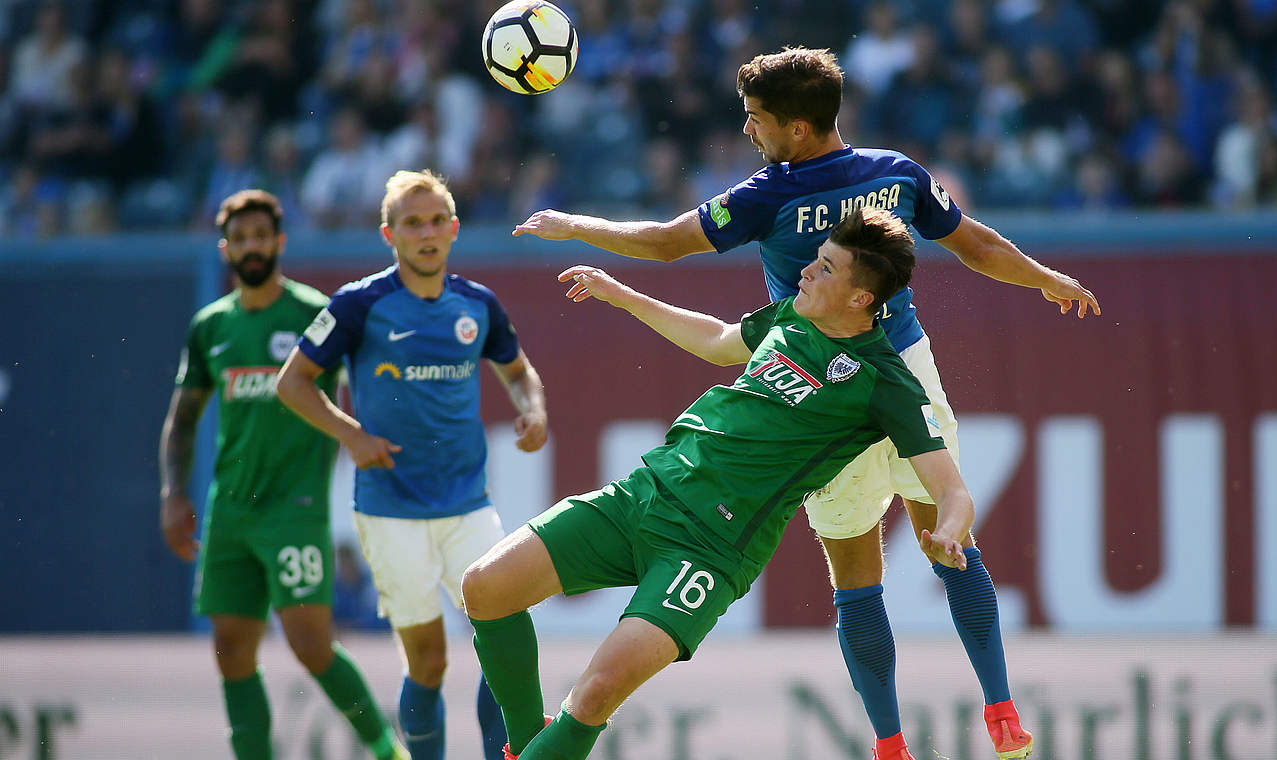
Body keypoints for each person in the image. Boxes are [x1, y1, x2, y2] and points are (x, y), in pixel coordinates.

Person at [512, 46, 1103, 760]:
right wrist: (1044, 279)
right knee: (946, 536)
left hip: (816, 392)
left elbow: (669, 244)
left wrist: (575, 225)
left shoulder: (768, 193)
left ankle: (889, 744)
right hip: (903, 368)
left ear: (796, 129)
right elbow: (972, 243)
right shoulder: (897, 173)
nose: (747, 132)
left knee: (856, 572)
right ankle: (1002, 709)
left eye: (755, 119)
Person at [463, 206, 973, 760]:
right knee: (486, 588)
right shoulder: (792, 316)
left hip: (709, 548)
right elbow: (719, 340)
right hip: (643, 494)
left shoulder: (885, 381)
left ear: (860, 299)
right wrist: (622, 294)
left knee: (594, 694)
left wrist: (948, 532)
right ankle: (522, 749)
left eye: (826, 268)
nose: (805, 270)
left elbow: (952, 490)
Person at [276, 169, 548, 760]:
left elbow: (519, 370)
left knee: (500, 643)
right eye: (411, 223)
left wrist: (534, 411)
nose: (425, 233)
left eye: (435, 222)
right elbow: (292, 383)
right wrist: (352, 436)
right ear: (389, 235)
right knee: (427, 661)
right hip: (389, 509)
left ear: (453, 229)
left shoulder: (477, 304)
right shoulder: (359, 304)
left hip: (468, 505)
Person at [158, 189, 408, 760]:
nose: (251, 246)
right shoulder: (210, 326)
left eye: (261, 236)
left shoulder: (310, 313)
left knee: (311, 645)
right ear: (226, 248)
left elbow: (370, 377)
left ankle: (387, 750)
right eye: (240, 238)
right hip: (230, 510)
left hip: (295, 505)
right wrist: (174, 494)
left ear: (279, 242)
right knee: (231, 647)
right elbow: (183, 418)